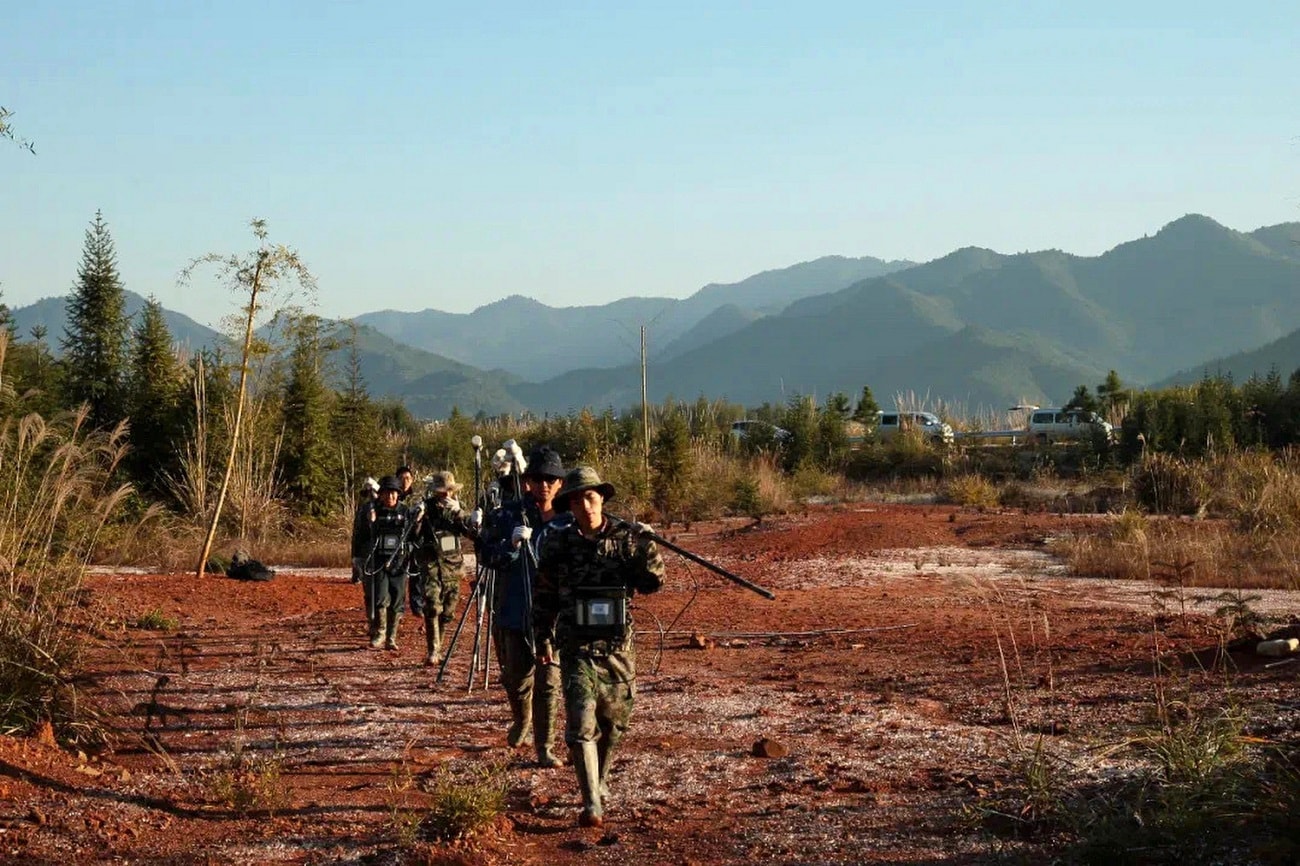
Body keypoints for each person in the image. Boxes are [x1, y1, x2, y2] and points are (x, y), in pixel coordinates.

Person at [533, 465, 664, 828]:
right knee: (580, 723)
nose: (585, 507)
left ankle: (601, 778)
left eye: (590, 498)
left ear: (602, 499)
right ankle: (591, 802)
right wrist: (543, 637)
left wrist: (648, 546)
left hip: (617, 649)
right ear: (570, 507)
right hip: (576, 647)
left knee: (614, 724)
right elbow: (543, 596)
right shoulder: (558, 544)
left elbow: (652, 583)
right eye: (577, 502)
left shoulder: (625, 540)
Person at [479, 445, 570, 767]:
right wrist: (511, 545)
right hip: (515, 610)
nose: (544, 485)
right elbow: (485, 555)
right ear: (527, 481)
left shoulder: (569, 519)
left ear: (560, 483)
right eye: (537, 479)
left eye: (551, 479)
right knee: (516, 679)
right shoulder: (508, 515)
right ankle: (521, 718)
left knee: (549, 682)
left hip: (555, 617)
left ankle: (545, 746)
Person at [413, 470, 478, 666]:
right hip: (431, 564)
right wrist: (417, 518)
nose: (446, 495)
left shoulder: (457, 508)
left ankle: (439, 646)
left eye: (449, 491)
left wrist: (460, 513)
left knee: (448, 612)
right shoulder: (426, 508)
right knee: (432, 606)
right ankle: (433, 650)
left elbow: (472, 534)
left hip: (452, 566)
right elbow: (413, 536)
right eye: (442, 491)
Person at [361, 475, 420, 650]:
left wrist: (418, 522)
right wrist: (370, 522)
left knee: (397, 599)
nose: (390, 497)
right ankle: (380, 633)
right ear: (381, 494)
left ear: (398, 494)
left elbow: (415, 536)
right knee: (380, 598)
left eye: (393, 493)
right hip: (379, 560)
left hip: (399, 562)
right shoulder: (374, 510)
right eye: (386, 493)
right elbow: (364, 536)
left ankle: (391, 637)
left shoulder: (406, 511)